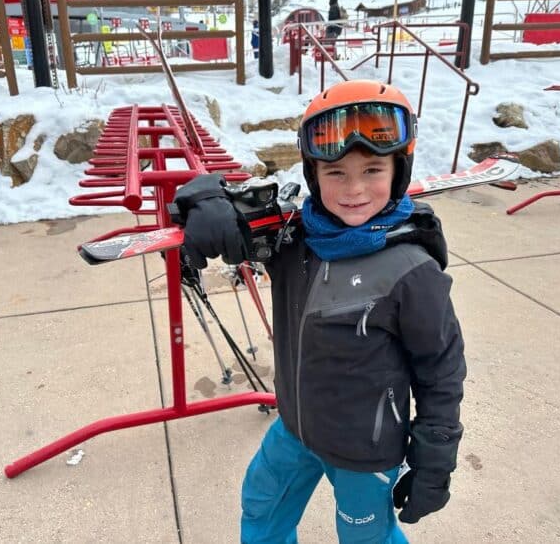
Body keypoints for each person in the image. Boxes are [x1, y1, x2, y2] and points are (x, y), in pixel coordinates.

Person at [171, 80, 466, 544]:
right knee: (261, 503)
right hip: (295, 428)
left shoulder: (412, 270)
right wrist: (206, 202)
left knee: (366, 537)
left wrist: (435, 458)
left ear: (398, 170)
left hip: (362, 452)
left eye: (372, 169)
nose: (353, 190)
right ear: (313, 175)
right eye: (335, 172)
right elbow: (234, 202)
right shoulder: (295, 239)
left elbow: (442, 369)